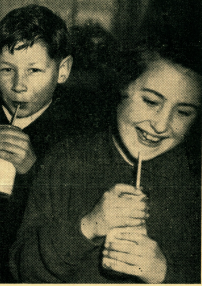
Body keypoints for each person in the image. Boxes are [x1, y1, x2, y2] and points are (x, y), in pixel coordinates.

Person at [0, 4, 106, 283]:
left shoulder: (78, 140)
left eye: (34, 70)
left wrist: (33, 170)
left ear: (63, 70)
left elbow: (71, 227)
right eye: (6, 69)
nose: (18, 85)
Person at [10, 42, 201, 283]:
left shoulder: (194, 185)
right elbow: (24, 270)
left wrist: (163, 273)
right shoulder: (67, 160)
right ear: (121, 89)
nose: (161, 125)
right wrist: (88, 226)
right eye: (151, 101)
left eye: (183, 112)